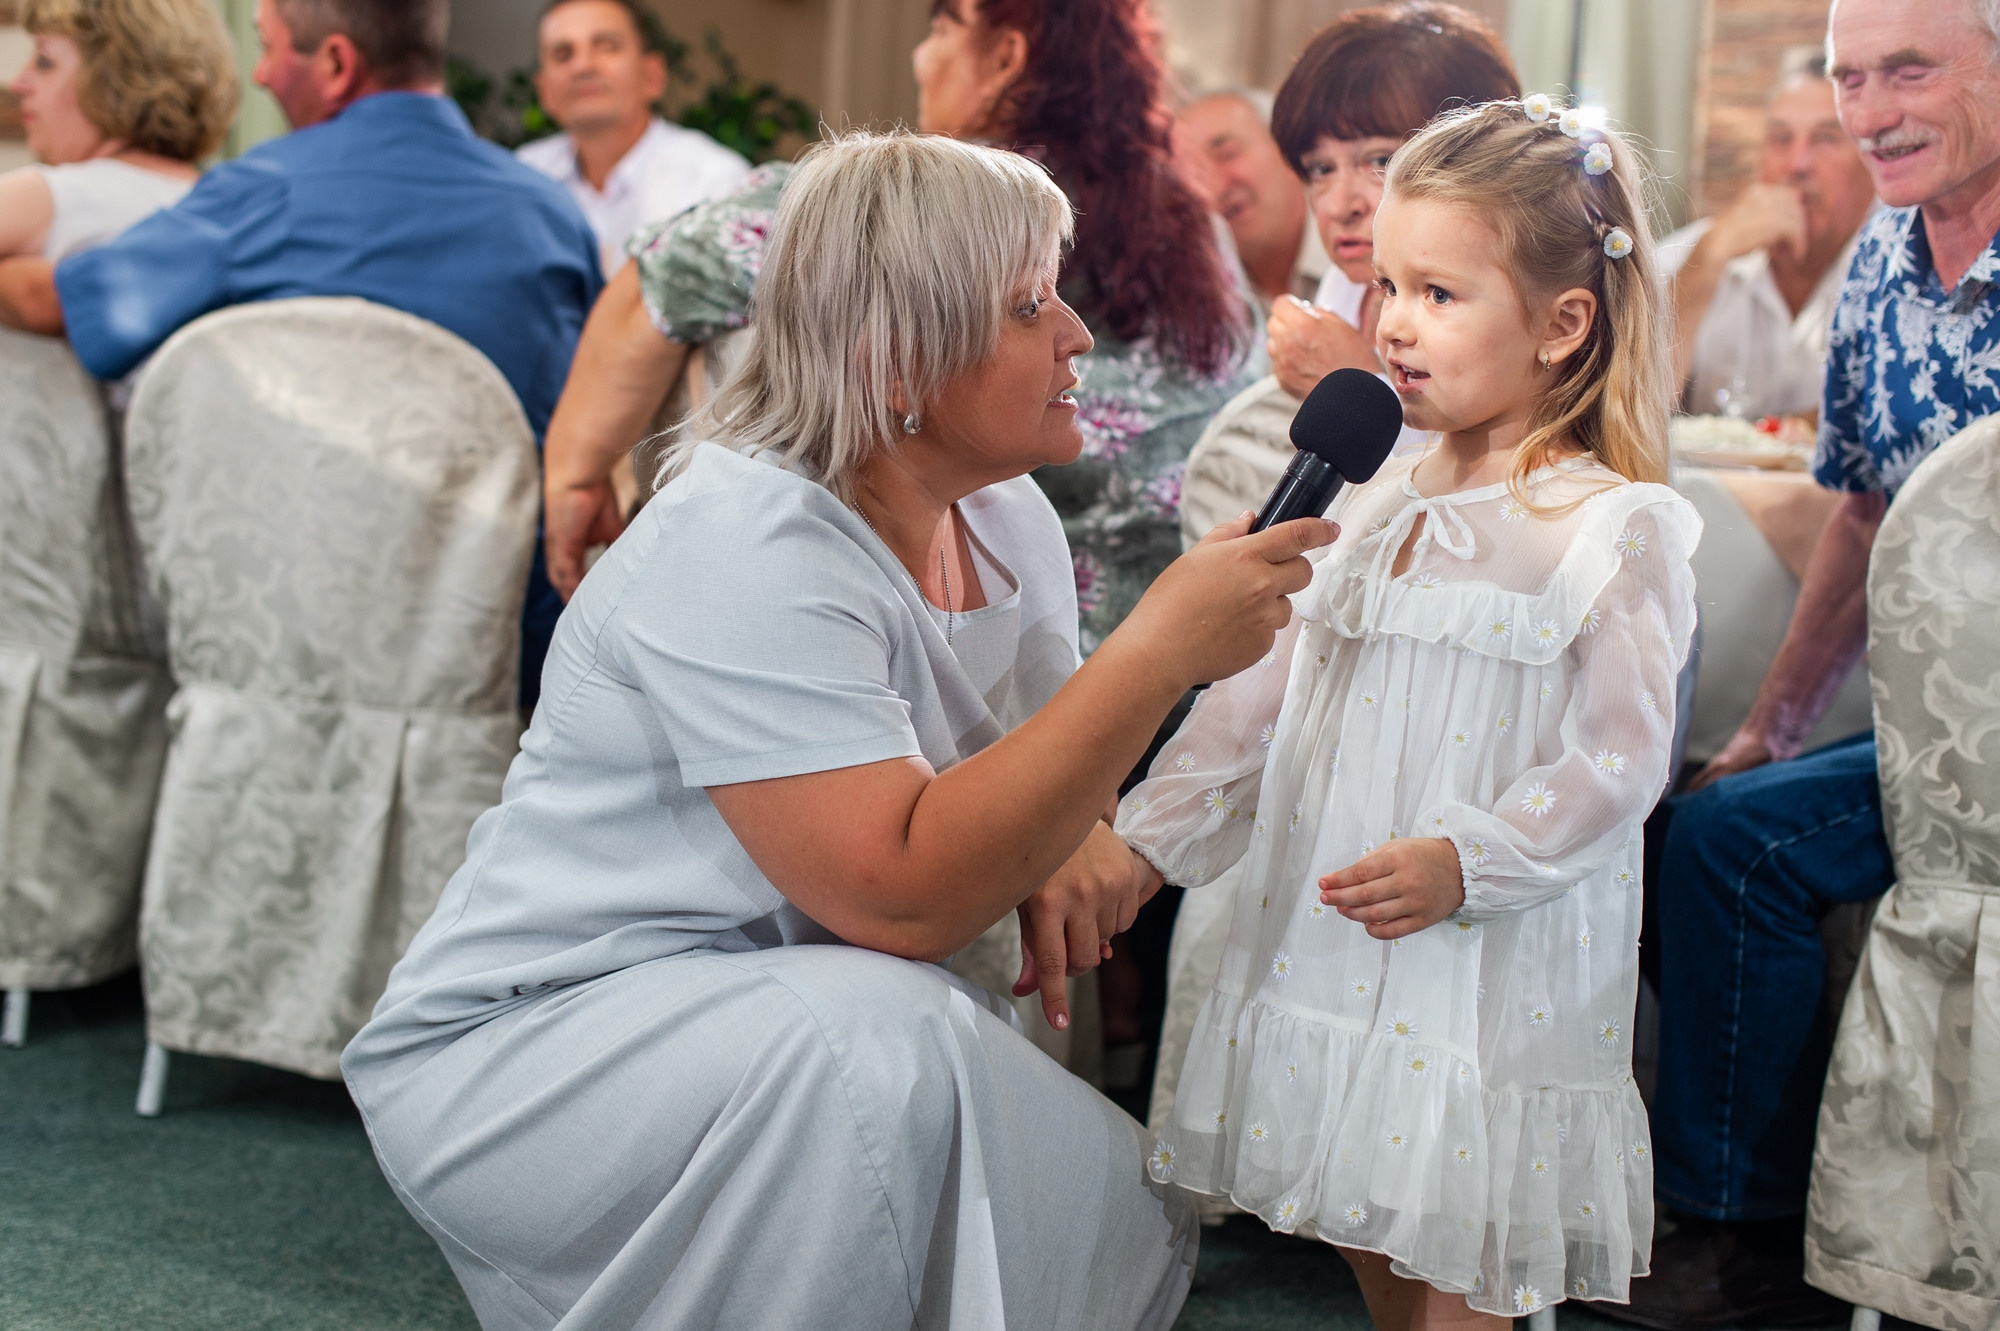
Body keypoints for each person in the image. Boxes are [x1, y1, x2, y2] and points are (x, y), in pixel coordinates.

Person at [342, 130, 1337, 1327]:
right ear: (894, 359)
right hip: (544, 1035)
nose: (1077, 335)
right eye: (1028, 306)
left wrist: (1077, 821)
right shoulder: (747, 539)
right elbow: (897, 893)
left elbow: (1035, 777)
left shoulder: (1004, 514)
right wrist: (1155, 649)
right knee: (884, 1045)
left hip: (778, 989)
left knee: (972, 1101)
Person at [1118, 101, 1695, 1324]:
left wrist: (1470, 856)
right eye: (1386, 284)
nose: (1390, 322)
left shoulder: (1601, 527)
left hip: (1482, 964)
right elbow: (1250, 703)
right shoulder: (1366, 499)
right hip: (1335, 948)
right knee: (1374, 1261)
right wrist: (1139, 847)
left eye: (1438, 292)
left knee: (1459, 1280)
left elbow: (1617, 754)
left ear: (1561, 323)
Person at [1631, 0, 2000, 1325]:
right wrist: (1771, 725)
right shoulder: (1885, 265)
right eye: (1851, 76)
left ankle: (1742, 1247)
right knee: (1704, 809)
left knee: (1735, 847)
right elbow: (1856, 507)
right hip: (1931, 732)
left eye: (1909, 68)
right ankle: (1736, 1210)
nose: (1871, 109)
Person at [542, 0, 1260, 658]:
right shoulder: (1194, 227)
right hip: (1218, 640)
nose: (921, 55)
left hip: (1066, 658)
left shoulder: (906, 222)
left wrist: (573, 483)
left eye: (942, 26)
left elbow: (659, 281)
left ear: (1004, 58)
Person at [0, 0, 601, 708]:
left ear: (337, 65)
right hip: (508, 652)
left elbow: (65, 305)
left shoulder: (262, 192)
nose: (256, 76)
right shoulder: (554, 215)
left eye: (268, 48)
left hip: (295, 638)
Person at [1178, 1, 1520, 544]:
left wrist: (1362, 385)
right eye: (1320, 168)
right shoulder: (1332, 297)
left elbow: (1489, 523)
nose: (1341, 203)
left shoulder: (1505, 302)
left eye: (1380, 160)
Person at [1657, 53, 1876, 420]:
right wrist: (1705, 263)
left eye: (1825, 139)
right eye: (1780, 139)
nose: (1798, 164)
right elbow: (1625, 416)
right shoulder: (1684, 257)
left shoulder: (1907, 265)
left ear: (1871, 160)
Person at [516, 0, 750, 278]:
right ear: (544, 91)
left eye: (607, 47)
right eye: (563, 54)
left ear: (652, 75)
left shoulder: (716, 185)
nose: (582, 66)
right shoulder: (520, 178)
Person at [0, 0, 235, 269]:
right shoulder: (218, 207)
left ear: (115, 80)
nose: (18, 83)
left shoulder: (59, 197)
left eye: (44, 62)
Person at [1173, 88, 1329, 315]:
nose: (1214, 188)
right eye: (1194, 174)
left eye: (1227, 154)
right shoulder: (1208, 302)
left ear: (1287, 148)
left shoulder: (1364, 255)